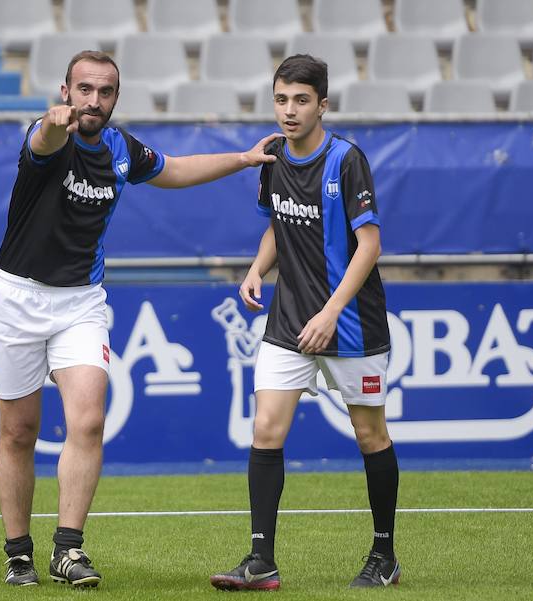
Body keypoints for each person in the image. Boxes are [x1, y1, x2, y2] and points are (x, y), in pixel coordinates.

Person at [0, 50, 278, 588]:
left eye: (106, 91)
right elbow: (42, 141)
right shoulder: (49, 138)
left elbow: (172, 169)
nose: (94, 101)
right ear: (66, 90)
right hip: (17, 298)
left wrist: (242, 158)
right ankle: (18, 554)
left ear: (116, 96)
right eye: (84, 90)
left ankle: (68, 551)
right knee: (19, 431)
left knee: (89, 420)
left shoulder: (120, 147)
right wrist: (52, 123)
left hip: (82, 301)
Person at [209, 54, 401, 591]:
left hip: (352, 326)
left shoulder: (346, 160)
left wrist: (332, 311)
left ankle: (384, 555)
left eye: (300, 100)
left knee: (370, 435)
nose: (289, 111)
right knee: (266, 430)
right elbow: (277, 223)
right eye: (281, 99)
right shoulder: (270, 156)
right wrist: (255, 269)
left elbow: (371, 245)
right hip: (289, 321)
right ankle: (260, 561)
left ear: (323, 104)